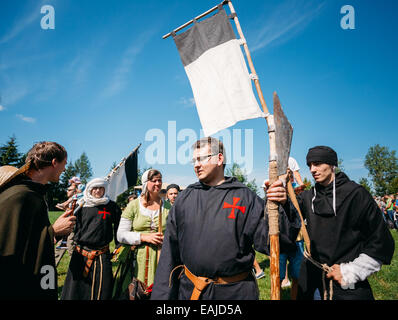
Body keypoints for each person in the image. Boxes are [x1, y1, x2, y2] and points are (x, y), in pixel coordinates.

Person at [151, 137, 300, 300]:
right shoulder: (184, 199)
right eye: (194, 160)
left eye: (201, 158)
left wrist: (281, 205)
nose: (196, 164)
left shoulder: (245, 197)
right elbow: (169, 256)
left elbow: (275, 243)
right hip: (191, 292)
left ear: (219, 158)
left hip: (236, 294)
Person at [296, 146, 395, 300]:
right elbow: (287, 220)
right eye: (309, 165)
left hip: (344, 279)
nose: (312, 170)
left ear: (331, 165)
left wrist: (351, 271)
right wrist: (279, 198)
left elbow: (381, 241)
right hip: (313, 278)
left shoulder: (356, 194)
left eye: (317, 164)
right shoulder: (308, 197)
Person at [0, 141, 76, 299]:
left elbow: (27, 239)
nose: (65, 169)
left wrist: (52, 233)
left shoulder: (33, 194)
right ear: (54, 162)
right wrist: (54, 231)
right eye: (65, 163)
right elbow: (8, 250)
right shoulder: (19, 196)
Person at [61, 178, 121, 300]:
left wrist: (118, 245)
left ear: (105, 189)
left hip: (101, 254)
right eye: (95, 188)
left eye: (101, 188)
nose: (98, 191)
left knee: (103, 288)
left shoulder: (111, 206)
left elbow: (118, 227)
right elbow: (69, 226)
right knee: (75, 289)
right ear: (89, 190)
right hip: (81, 252)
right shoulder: (81, 205)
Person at [114, 169, 171, 297]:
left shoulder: (167, 206)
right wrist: (144, 237)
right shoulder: (133, 206)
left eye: (160, 180)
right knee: (135, 292)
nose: (158, 183)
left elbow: (174, 232)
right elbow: (121, 235)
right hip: (136, 258)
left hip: (160, 257)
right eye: (154, 180)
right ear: (146, 182)